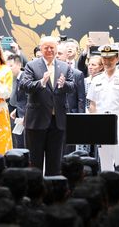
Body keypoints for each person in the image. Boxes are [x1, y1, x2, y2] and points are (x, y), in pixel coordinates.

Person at [20, 36, 74, 175]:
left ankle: (53, 190)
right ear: (40, 48)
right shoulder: (31, 65)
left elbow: (72, 86)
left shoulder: (64, 66)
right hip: (37, 121)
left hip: (58, 121)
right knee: (35, 161)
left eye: (52, 48)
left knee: (55, 162)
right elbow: (25, 86)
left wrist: (64, 84)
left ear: (56, 49)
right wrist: (41, 82)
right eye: (46, 47)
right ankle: (36, 191)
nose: (49, 50)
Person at [87, 44, 119, 171]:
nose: (107, 62)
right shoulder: (96, 79)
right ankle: (106, 184)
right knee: (104, 156)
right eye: (104, 59)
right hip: (101, 119)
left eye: (110, 59)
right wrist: (94, 122)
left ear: (117, 59)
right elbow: (92, 104)